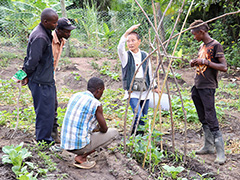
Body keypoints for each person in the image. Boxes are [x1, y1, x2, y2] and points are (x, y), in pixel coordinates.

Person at [189, 20, 227, 165]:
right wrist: (195, 62)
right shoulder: (202, 46)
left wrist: (206, 63)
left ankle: (220, 152)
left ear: (202, 32)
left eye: (194, 34)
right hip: (198, 85)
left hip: (208, 87)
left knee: (211, 117)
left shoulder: (216, 45)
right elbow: (202, 61)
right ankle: (208, 146)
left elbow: (224, 67)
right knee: (202, 116)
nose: (194, 37)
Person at [61, 77, 119, 169]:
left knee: (92, 129)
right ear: (98, 90)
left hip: (65, 143)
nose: (101, 95)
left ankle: (81, 154)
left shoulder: (76, 95)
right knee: (114, 132)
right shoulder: (96, 104)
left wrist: (95, 128)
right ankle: (82, 157)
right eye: (102, 92)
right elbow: (104, 129)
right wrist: (98, 128)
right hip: (79, 146)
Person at [21, 8, 58, 145]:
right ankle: (44, 141)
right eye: (54, 23)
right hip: (40, 81)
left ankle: (46, 138)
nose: (56, 25)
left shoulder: (45, 32)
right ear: (45, 21)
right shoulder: (40, 37)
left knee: (48, 110)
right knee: (44, 112)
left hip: (45, 79)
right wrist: (23, 74)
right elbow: (32, 61)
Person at [117, 24, 159, 136]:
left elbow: (149, 72)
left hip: (145, 90)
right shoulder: (125, 56)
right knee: (138, 114)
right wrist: (127, 32)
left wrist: (154, 86)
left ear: (139, 41)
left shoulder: (145, 55)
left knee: (143, 118)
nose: (130, 43)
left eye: (133, 40)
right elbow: (119, 48)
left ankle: (139, 137)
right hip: (133, 92)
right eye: (128, 41)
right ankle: (134, 136)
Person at [51, 17, 76, 143]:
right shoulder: (48, 40)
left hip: (51, 76)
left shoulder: (62, 40)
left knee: (53, 105)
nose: (69, 34)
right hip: (41, 78)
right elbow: (32, 58)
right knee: (46, 107)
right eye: (67, 31)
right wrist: (21, 75)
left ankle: (53, 134)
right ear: (58, 30)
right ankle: (46, 136)